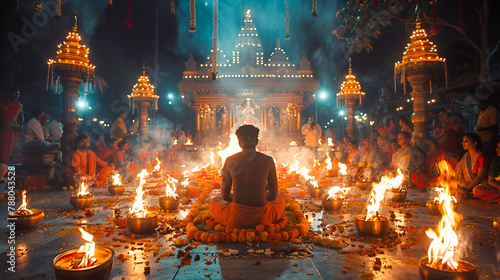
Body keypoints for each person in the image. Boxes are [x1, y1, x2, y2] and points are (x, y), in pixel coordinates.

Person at [209, 125, 285, 229]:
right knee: (280, 201)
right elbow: (273, 195)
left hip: (237, 218)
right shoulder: (268, 160)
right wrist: (257, 199)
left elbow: (225, 196)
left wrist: (243, 203)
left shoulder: (230, 160)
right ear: (256, 141)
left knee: (215, 202)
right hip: (262, 217)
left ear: (239, 143)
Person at [455, 133, 490, 198]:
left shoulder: (482, 157)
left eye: (466, 141)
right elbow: (459, 172)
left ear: (474, 143)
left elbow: (480, 177)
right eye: (463, 141)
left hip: (480, 185)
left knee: (479, 191)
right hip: (467, 184)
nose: (463, 143)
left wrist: (467, 189)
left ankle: (470, 194)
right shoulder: (466, 156)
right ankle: (467, 193)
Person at [471, 139, 500, 203]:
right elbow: (490, 180)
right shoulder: (496, 161)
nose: (498, 150)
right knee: (477, 191)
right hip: (498, 185)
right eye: (497, 147)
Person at [0, 87, 23, 164]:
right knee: (3, 147)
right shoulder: (2, 103)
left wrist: (19, 127)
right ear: (9, 94)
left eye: (17, 94)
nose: (16, 95)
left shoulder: (18, 105)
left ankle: (8, 166)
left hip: (13, 131)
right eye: (14, 93)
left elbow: (20, 118)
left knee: (11, 149)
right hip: (3, 129)